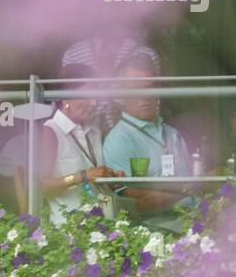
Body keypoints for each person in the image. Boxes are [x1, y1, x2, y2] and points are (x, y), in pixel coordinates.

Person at [102, 55, 192, 226]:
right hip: (156, 232)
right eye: (136, 90)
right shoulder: (119, 140)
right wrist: (191, 189)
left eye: (149, 88)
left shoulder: (173, 134)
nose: (145, 96)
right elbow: (138, 203)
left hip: (191, 224)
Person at [36, 65, 123, 223]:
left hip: (101, 225)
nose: (94, 103)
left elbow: (94, 184)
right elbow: (42, 187)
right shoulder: (52, 130)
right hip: (69, 231)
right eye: (89, 96)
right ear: (66, 98)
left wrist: (110, 181)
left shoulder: (94, 132)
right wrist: (84, 176)